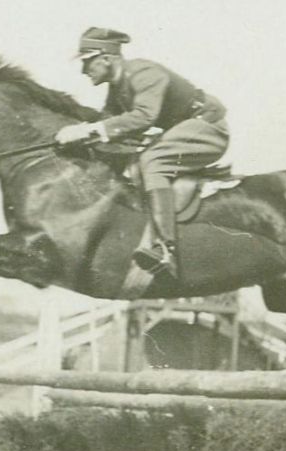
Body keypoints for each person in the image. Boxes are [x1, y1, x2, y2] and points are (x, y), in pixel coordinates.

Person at [55, 27, 229, 279]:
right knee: (132, 163)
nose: (84, 70)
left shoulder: (144, 73)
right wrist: (80, 136)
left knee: (152, 161)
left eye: (87, 62)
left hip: (208, 127)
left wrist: (90, 130)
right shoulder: (117, 88)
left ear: (106, 58)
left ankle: (165, 249)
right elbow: (110, 123)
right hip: (184, 129)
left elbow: (144, 116)